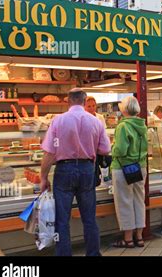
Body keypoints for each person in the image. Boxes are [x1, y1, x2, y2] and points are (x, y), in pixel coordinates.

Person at [40, 88, 111, 256]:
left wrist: (43, 177)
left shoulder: (58, 121)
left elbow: (49, 153)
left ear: (68, 101)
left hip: (64, 170)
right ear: (84, 101)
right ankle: (93, 254)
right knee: (89, 218)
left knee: (62, 220)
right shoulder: (95, 121)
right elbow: (106, 149)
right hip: (87, 170)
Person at [110, 96, 148, 248]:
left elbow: (120, 150)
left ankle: (128, 239)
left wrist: (111, 149)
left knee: (125, 202)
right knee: (139, 200)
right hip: (140, 167)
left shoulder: (123, 126)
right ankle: (139, 236)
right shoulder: (142, 125)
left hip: (123, 168)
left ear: (124, 109)